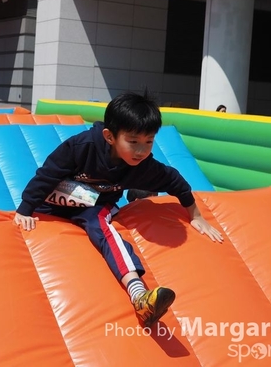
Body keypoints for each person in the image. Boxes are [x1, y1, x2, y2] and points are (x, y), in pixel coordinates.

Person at [14, 91, 224, 328]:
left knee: (102, 227)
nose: (141, 150)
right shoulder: (81, 147)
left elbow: (175, 181)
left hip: (95, 205)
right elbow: (47, 175)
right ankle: (139, 194)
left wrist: (196, 215)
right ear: (110, 136)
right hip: (55, 202)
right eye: (133, 142)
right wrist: (25, 209)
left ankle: (139, 295)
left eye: (149, 142)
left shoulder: (143, 166)